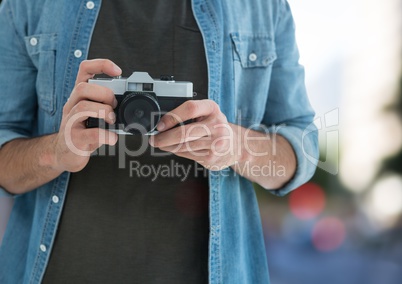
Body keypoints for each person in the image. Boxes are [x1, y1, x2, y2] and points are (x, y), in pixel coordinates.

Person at [0, 0, 318, 283]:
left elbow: (303, 146)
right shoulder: (29, 5)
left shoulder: (263, 7)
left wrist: (235, 147)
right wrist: (56, 152)